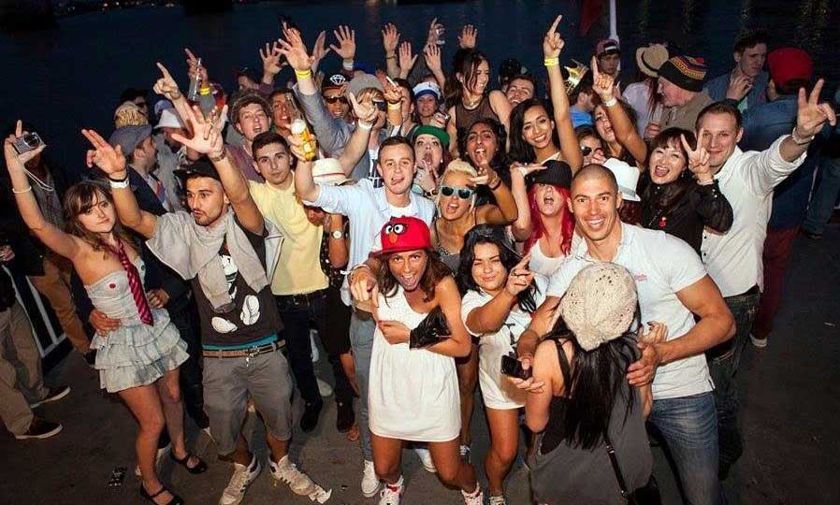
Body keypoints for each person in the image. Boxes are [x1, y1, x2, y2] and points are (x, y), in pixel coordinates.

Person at [90, 106, 327, 504]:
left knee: (281, 422)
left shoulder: (247, 223)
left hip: (266, 348)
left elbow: (242, 194)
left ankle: (281, 462)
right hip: (218, 355)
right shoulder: (183, 231)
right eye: (189, 196)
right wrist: (118, 177)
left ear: (225, 197)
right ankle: (245, 465)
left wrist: (218, 154)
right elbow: (134, 220)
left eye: (205, 194)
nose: (194, 203)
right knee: (224, 435)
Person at [6, 122, 199, 505]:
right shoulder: (80, 250)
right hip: (122, 343)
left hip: (156, 327)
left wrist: (157, 292)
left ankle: (179, 449)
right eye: (88, 211)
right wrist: (16, 169)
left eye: (103, 204)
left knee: (174, 396)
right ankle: (150, 484)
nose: (100, 213)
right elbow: (37, 224)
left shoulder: (128, 235)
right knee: (152, 422)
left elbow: (151, 264)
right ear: (76, 221)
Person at [518, 165, 735, 505]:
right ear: (571, 205)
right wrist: (527, 358)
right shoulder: (572, 269)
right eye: (583, 200)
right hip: (615, 400)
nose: (593, 210)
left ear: (619, 200)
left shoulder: (664, 249)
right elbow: (535, 329)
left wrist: (661, 354)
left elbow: (722, 321)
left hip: (680, 391)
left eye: (603, 198)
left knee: (702, 495)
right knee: (622, 484)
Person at [696, 86, 836, 477]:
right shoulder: (695, 169)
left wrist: (801, 136)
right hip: (694, 294)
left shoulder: (750, 172)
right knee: (694, 372)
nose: (714, 143)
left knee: (719, 381)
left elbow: (777, 161)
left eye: (724, 134)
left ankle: (724, 450)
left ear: (739, 135)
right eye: (706, 134)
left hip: (734, 299)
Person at [295, 135, 435, 498]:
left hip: (410, 314)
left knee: (412, 386)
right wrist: (302, 157)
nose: (397, 171)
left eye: (404, 162)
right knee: (372, 392)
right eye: (389, 163)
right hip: (366, 316)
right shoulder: (360, 197)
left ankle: (417, 440)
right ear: (379, 169)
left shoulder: (425, 208)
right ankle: (373, 458)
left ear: (415, 167)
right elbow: (308, 192)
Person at [359, 216, 483, 505]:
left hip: (433, 390)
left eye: (414, 256)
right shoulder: (379, 282)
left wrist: (411, 336)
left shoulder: (443, 285)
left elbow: (463, 346)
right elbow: (363, 273)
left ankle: (473, 489)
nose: (406, 268)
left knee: (450, 473)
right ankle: (394, 486)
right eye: (397, 258)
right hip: (390, 390)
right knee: (384, 469)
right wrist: (358, 274)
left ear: (428, 254)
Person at [248, 131, 357, 434]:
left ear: (291, 157)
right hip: (283, 296)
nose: (273, 166)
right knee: (298, 358)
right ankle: (312, 401)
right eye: (264, 160)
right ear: (255, 166)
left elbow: (347, 166)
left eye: (279, 157)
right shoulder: (256, 194)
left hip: (325, 289)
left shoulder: (310, 183)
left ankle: (345, 401)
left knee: (338, 351)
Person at [527, 263, 657, 505]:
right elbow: (644, 410)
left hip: (563, 473)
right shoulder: (634, 347)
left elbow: (536, 423)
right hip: (615, 474)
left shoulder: (552, 351)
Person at [740, 48, 830, 348]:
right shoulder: (820, 118)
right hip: (791, 210)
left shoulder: (756, 118)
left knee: (744, 270)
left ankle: (734, 329)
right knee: (775, 272)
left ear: (773, 83)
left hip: (755, 208)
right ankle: (761, 331)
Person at [458, 224, 544, 505]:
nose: (487, 270)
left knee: (539, 440)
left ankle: (533, 460)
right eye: (478, 262)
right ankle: (495, 488)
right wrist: (508, 293)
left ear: (507, 260)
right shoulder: (472, 299)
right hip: (499, 385)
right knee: (505, 452)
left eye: (494, 260)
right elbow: (483, 322)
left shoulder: (537, 286)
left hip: (539, 381)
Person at [0, 241, 68, 441]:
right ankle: (22, 423)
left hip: (5, 296)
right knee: (2, 373)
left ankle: (35, 393)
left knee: (25, 349)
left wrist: (6, 249)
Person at [640, 128, 734, 253]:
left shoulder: (693, 193)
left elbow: (722, 223)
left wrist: (705, 176)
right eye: (659, 152)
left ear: (685, 165)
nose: (663, 161)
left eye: (675, 155)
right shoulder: (644, 185)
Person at [510, 162, 575, 277]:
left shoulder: (578, 231)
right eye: (542, 184)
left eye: (557, 186)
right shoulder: (528, 228)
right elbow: (521, 227)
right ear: (534, 195)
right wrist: (517, 176)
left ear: (567, 198)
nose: (549, 189)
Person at [445, 49, 512, 156]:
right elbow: (452, 152)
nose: (484, 78)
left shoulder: (495, 98)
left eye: (487, 73)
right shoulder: (454, 113)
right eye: (477, 73)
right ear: (461, 77)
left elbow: (512, 135)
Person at [590, 57, 648, 167]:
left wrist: (608, 98)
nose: (605, 120)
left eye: (609, 114)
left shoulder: (638, 152)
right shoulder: (597, 158)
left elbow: (627, 135)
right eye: (599, 117)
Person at [704, 30, 769, 113]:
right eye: (753, 56)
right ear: (737, 57)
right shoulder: (712, 89)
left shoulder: (768, 83)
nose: (759, 61)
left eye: (763, 56)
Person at [624, 43, 669, 139]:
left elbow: (623, 124)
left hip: (639, 143)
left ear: (642, 69)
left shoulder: (633, 91)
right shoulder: (671, 92)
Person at [658, 55, 714, 131]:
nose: (658, 90)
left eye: (663, 84)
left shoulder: (709, 115)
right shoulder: (669, 110)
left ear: (681, 85)